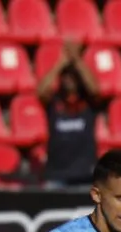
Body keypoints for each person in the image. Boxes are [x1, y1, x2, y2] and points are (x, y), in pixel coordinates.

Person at [37, 40, 99, 188]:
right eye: (66, 75)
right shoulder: (54, 102)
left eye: (73, 76)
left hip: (85, 173)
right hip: (57, 174)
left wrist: (77, 60)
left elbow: (95, 89)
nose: (69, 79)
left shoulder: (89, 102)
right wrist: (61, 63)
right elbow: (40, 91)